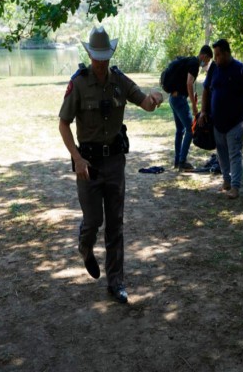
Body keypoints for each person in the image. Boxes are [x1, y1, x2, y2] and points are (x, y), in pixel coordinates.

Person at [58, 26, 163, 303]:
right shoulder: (79, 83)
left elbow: (145, 102)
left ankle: (116, 282)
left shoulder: (119, 80)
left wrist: (154, 99)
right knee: (93, 220)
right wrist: (77, 158)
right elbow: (63, 123)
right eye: (97, 56)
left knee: (115, 224)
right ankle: (85, 246)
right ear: (90, 54)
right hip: (88, 164)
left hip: (115, 162)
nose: (101, 62)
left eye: (105, 56)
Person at [199, 39, 243, 199]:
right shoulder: (213, 70)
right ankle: (226, 180)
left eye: (218, 55)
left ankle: (235, 186)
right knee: (222, 154)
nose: (215, 58)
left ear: (226, 53)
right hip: (217, 122)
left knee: (234, 154)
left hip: (236, 122)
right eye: (215, 55)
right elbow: (205, 90)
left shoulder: (241, 69)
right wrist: (203, 111)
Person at [169, 45, 214, 171]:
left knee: (180, 130)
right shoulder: (195, 64)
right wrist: (194, 106)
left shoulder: (190, 61)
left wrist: (192, 95)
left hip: (173, 98)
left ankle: (178, 161)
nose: (207, 62)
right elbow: (189, 83)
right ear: (204, 55)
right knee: (190, 129)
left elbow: (187, 82)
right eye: (208, 59)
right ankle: (182, 161)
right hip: (179, 99)